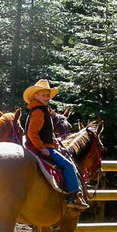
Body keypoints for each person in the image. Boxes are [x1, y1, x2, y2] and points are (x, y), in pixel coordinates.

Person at [23, 79, 88, 209]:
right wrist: (42, 147)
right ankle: (74, 196)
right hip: (41, 148)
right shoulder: (39, 112)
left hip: (44, 146)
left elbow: (43, 132)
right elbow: (32, 133)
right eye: (43, 95)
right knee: (68, 165)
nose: (46, 98)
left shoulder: (41, 110)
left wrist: (53, 142)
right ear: (35, 96)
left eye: (47, 95)